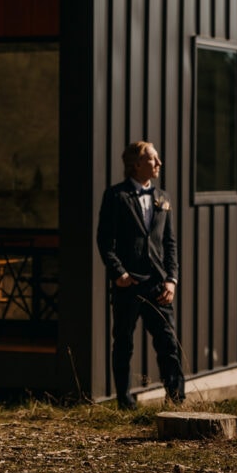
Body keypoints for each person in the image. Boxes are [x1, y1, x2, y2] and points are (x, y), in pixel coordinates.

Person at [96, 141, 185, 410]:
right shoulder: (116, 196)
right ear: (136, 164)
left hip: (158, 284)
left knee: (168, 343)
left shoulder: (163, 198)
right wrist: (119, 273)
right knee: (123, 343)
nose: (159, 163)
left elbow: (169, 243)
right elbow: (104, 240)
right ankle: (125, 402)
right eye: (153, 159)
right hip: (128, 283)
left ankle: (176, 400)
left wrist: (172, 279)